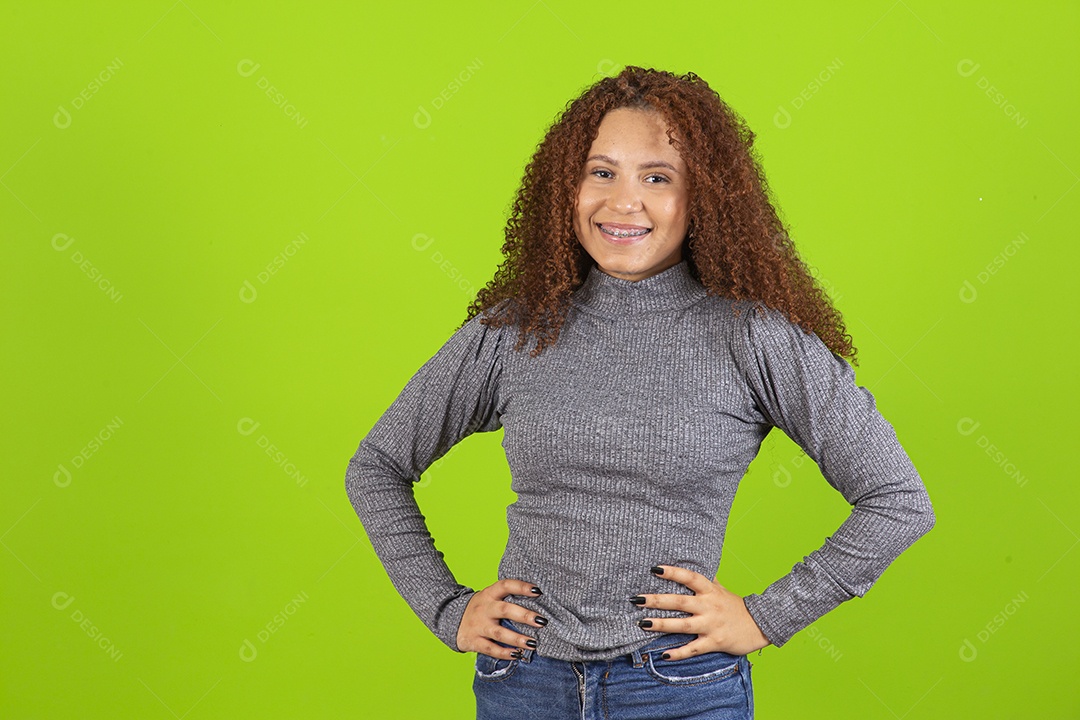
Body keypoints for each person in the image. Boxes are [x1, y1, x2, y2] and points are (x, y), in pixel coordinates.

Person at [345, 65, 935, 719]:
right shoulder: (515, 329)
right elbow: (376, 466)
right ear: (565, 188)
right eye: (601, 172)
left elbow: (898, 501)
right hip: (525, 686)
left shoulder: (754, 336)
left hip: (680, 688)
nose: (624, 202)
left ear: (702, 196)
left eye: (658, 177)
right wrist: (446, 608)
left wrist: (766, 617)